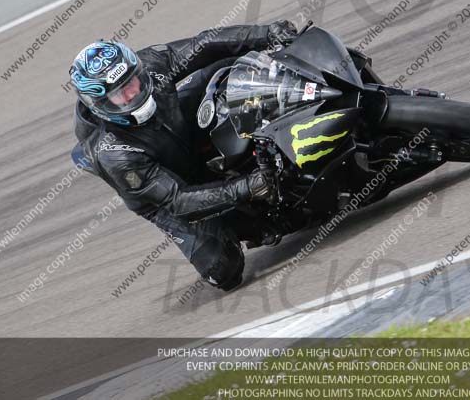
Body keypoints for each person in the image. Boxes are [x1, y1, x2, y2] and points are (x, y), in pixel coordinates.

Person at [69, 21, 298, 290]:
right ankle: (240, 221)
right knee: (223, 269)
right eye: (121, 94)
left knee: (228, 64)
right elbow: (178, 200)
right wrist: (248, 187)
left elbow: (203, 44)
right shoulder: (115, 155)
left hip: (174, 126)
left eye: (132, 81)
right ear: (102, 106)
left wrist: (267, 34)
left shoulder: (149, 65)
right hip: (168, 193)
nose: (134, 93)